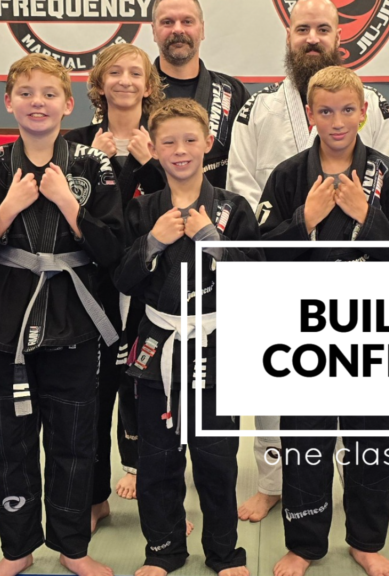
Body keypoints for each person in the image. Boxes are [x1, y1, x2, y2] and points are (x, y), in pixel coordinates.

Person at [226, 0, 389, 523]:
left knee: (365, 410)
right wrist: (295, 227)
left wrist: (360, 224)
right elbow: (240, 188)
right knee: (280, 397)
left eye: (322, 29)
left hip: (362, 285)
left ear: (339, 36)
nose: (311, 37)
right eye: (301, 28)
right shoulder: (254, 109)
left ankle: (359, 503)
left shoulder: (376, 106)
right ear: (288, 35)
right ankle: (274, 482)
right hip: (283, 273)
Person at [0, 53, 123, 576]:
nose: (38, 102)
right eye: (26, 93)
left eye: (50, 93)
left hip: (75, 326)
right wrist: (7, 208)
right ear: (8, 102)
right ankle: (16, 549)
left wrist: (69, 204)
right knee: (10, 444)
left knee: (75, 442)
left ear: (69, 104)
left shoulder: (94, 165)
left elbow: (115, 251)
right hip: (7, 329)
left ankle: (73, 549)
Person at [259, 66, 389, 576]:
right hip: (303, 329)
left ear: (364, 112)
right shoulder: (288, 176)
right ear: (310, 114)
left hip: (370, 328)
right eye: (325, 111)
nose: (336, 121)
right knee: (304, 440)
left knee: (370, 440)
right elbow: (259, 256)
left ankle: (366, 540)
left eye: (347, 110)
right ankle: (305, 544)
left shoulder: (388, 177)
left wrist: (368, 219)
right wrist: (302, 222)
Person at [114, 98, 261, 576]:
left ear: (208, 144)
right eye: (169, 142)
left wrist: (209, 241)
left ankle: (224, 554)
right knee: (158, 461)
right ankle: (163, 550)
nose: (180, 151)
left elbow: (259, 276)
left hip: (217, 349)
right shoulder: (143, 212)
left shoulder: (233, 209)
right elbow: (121, 278)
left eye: (190, 140)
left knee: (217, 461)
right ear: (153, 150)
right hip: (158, 347)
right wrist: (152, 242)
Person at [64, 41, 166, 532]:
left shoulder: (164, 143)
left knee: (149, 389)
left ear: (150, 85)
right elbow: (89, 224)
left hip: (152, 282)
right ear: (99, 84)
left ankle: (156, 497)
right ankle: (94, 496)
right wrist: (102, 167)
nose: (125, 80)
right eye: (115, 72)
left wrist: (147, 166)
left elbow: (172, 207)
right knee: (95, 390)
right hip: (95, 283)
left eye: (135, 73)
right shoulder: (76, 144)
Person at [150, 0, 251, 188]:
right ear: (154, 31)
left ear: (202, 29)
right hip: (150, 212)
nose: (178, 30)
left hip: (219, 212)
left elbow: (252, 163)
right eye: (167, 22)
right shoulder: (136, 93)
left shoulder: (232, 92)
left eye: (187, 21)